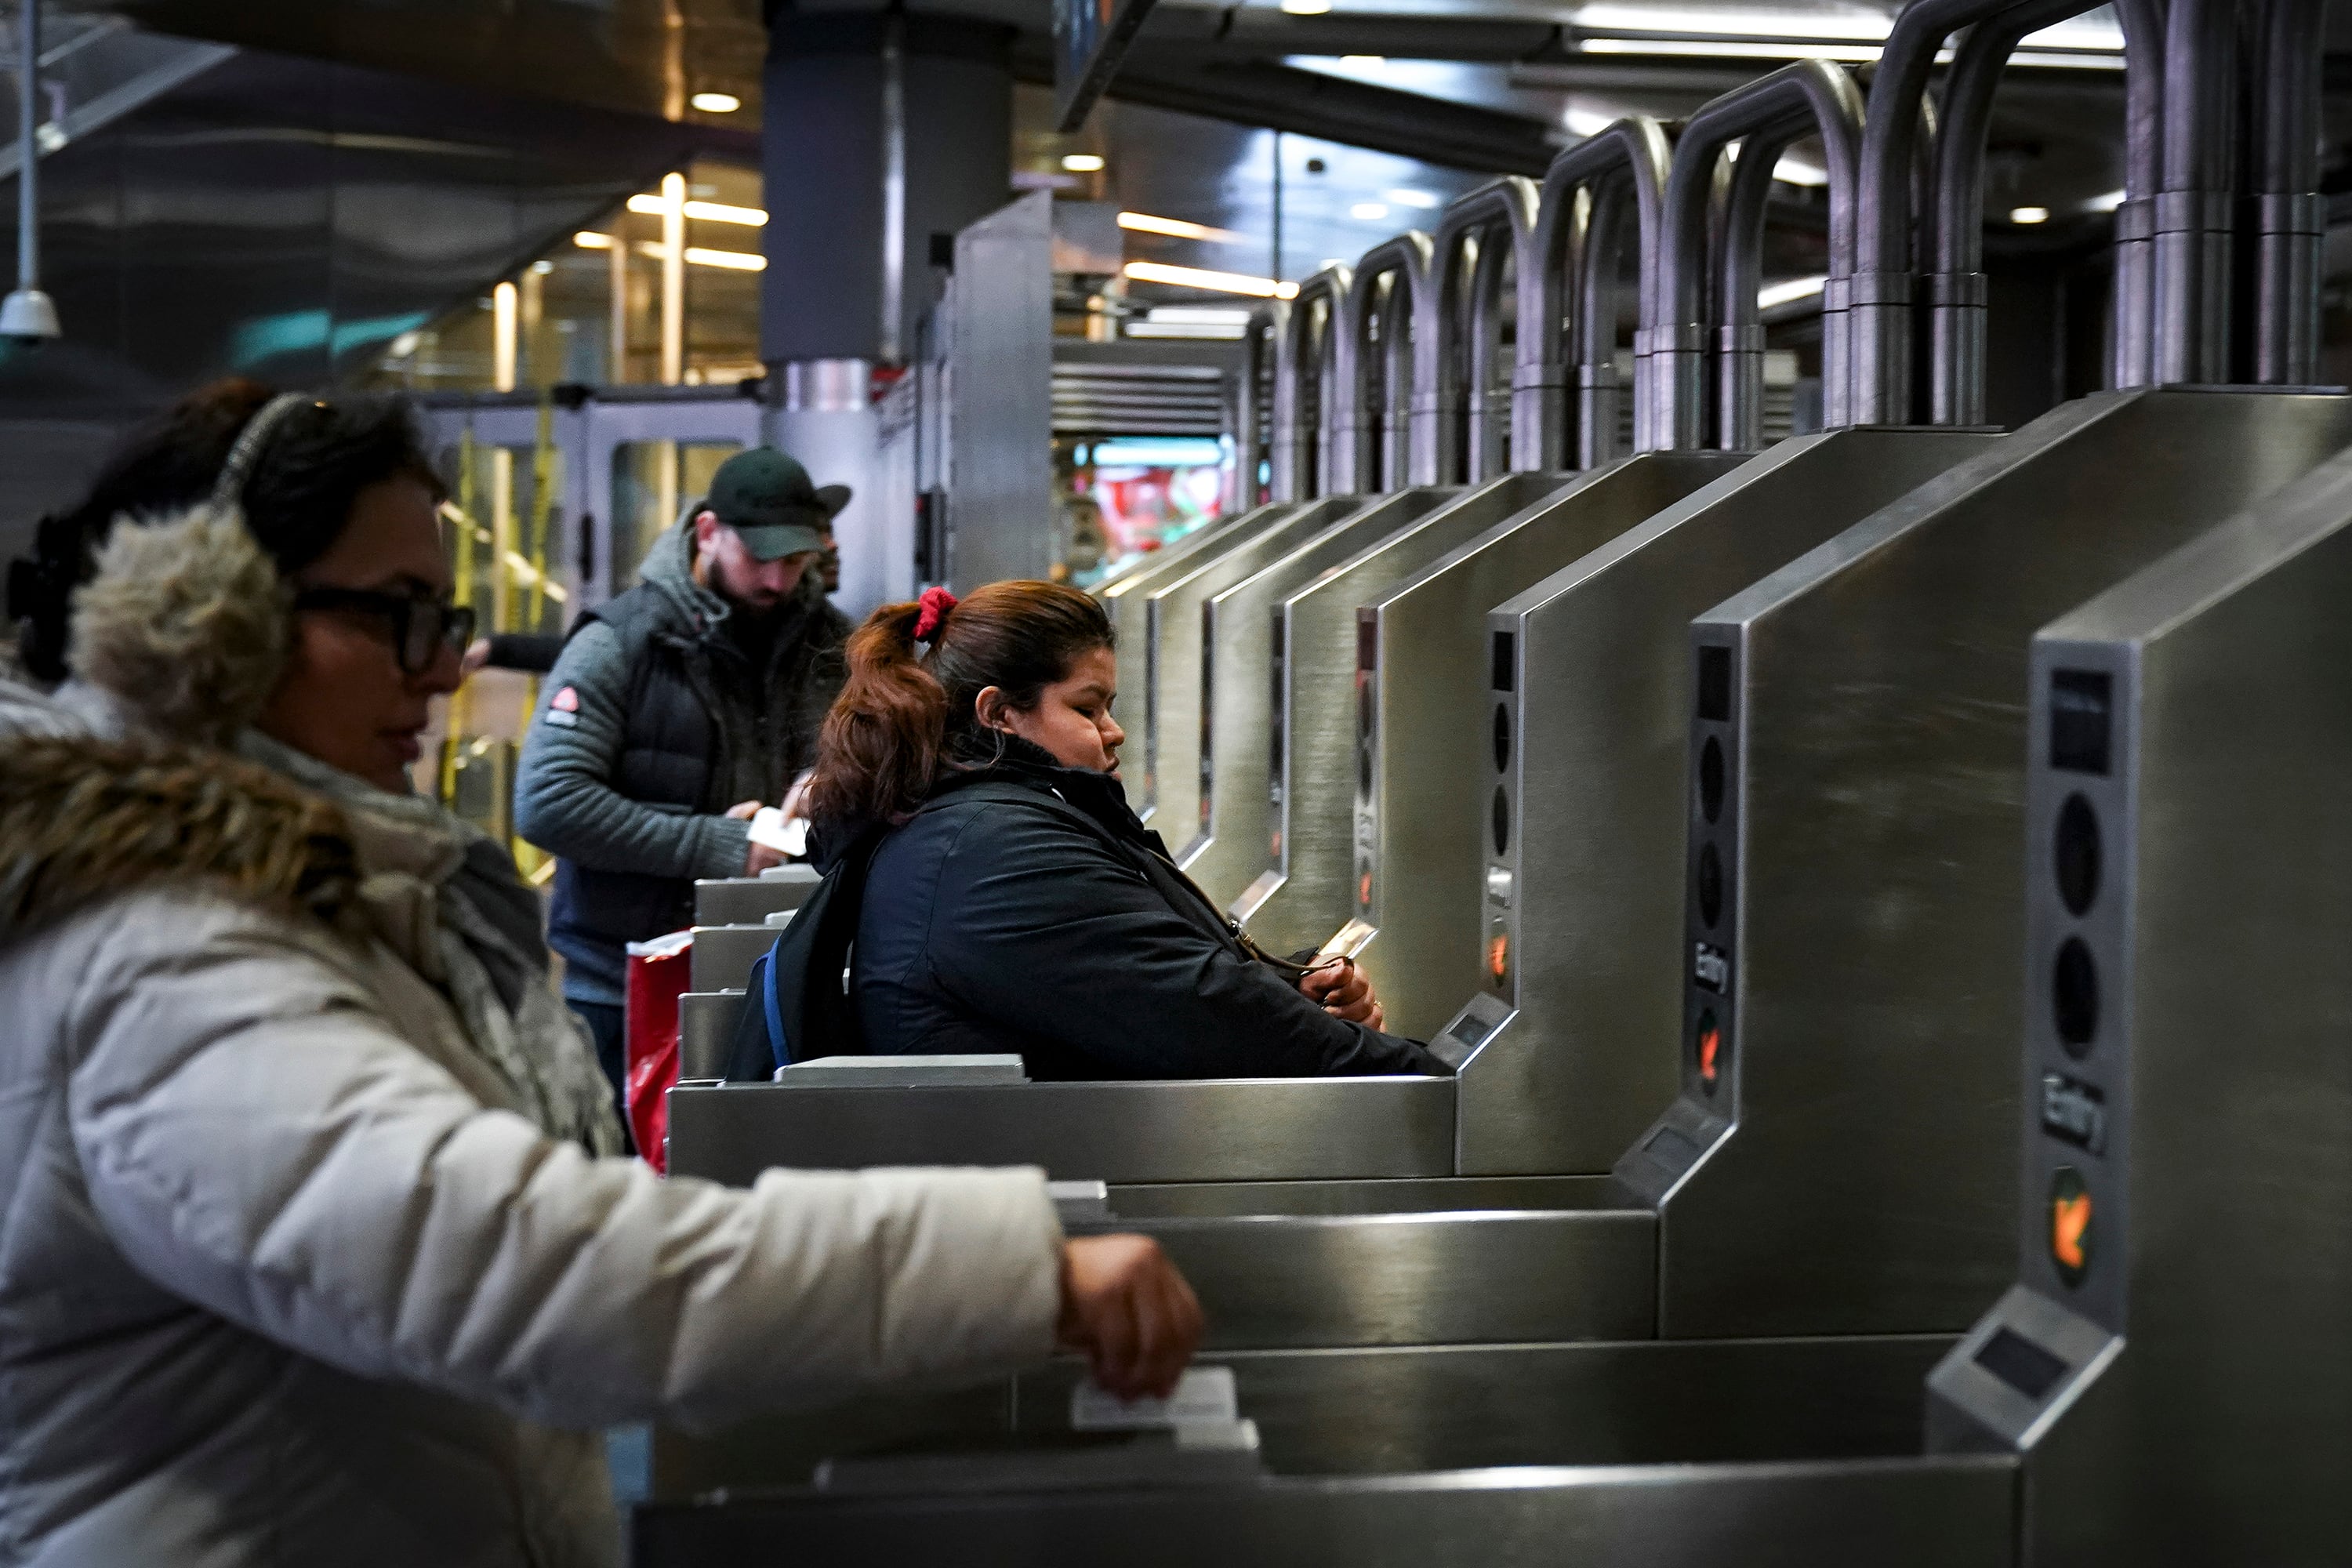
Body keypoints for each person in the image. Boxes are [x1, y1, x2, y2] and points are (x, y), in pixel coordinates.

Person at [0, 384, 1201, 1567]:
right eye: (398, 612)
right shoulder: (165, 957)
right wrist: (1001, 1266)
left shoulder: (307, 903)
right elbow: (512, 1260)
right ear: (210, 630)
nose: (444, 665)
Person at [800, 579, 1450, 1079]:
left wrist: (1291, 987)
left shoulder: (986, 823)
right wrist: (1420, 1074)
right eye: (1087, 708)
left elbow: (1154, 984)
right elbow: (1203, 1014)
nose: (1113, 732)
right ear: (999, 713)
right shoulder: (996, 853)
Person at [514, 447, 853, 1127]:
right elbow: (550, 802)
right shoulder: (622, 643)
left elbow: (868, 758)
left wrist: (835, 778)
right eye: (759, 558)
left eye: (795, 561)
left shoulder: (831, 642)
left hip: (777, 979)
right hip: (626, 984)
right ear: (706, 533)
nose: (778, 580)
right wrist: (726, 845)